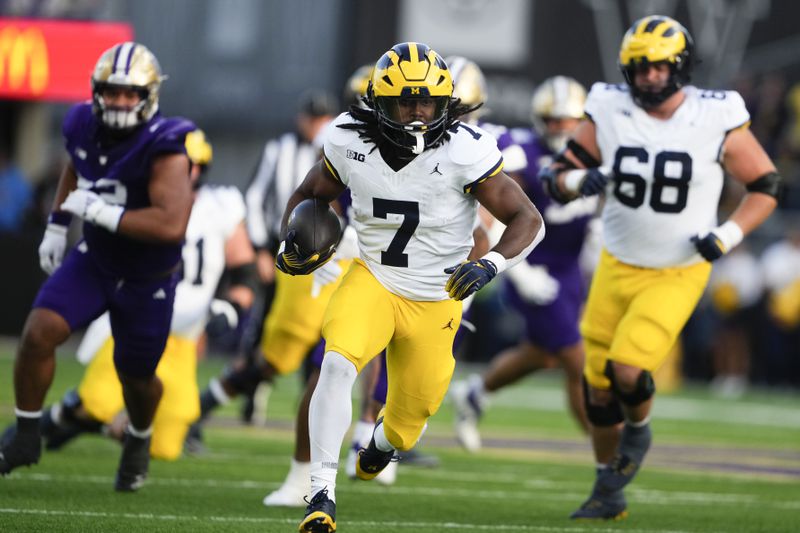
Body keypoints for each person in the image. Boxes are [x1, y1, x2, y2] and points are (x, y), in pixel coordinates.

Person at [282, 42, 544, 533]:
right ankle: (321, 493)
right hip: (375, 277)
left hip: (436, 297)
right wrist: (292, 241)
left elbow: (527, 218)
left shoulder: (466, 150)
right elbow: (308, 195)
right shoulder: (348, 140)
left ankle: (380, 445)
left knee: (406, 425)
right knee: (336, 363)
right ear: (380, 103)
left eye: (427, 102)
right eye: (406, 102)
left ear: (446, 103)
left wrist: (490, 264)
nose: (418, 113)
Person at [539, 16, 780, 519]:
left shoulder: (714, 115)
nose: (649, 76)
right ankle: (608, 485)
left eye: (658, 66)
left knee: (628, 368)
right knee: (597, 385)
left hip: (678, 267)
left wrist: (728, 234)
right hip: (616, 261)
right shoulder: (608, 106)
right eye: (639, 67)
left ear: (680, 66)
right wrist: (574, 183)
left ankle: (641, 432)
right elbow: (556, 174)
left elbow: (765, 184)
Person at [0, 42, 196, 492]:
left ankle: (138, 438)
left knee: (137, 379)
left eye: (130, 94)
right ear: (97, 92)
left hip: (147, 279)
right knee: (38, 333)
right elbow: (77, 166)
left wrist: (105, 213)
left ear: (149, 96)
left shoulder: (167, 145)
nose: (120, 102)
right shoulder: (81, 123)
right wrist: (57, 222)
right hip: (97, 261)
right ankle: (28, 434)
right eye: (112, 92)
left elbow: (171, 224)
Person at [0, 129, 257, 461]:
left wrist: (233, 307)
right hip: (138, 316)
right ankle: (54, 420)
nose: (179, 171)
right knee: (96, 402)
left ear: (199, 169)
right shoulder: (142, 200)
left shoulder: (220, 205)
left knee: (165, 446)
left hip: (181, 339)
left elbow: (244, 271)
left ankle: (100, 425)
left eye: (187, 165)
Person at [451, 75, 593, 453]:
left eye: (568, 120)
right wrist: (522, 270)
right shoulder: (523, 153)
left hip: (570, 267)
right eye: (553, 120)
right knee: (575, 359)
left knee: (543, 353)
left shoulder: (596, 150)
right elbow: (504, 214)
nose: (561, 128)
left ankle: (476, 392)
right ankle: (606, 445)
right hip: (533, 263)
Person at [188, 89, 338, 441]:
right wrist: (265, 248)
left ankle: (357, 439)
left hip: (350, 269)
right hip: (307, 260)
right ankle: (199, 411)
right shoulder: (319, 151)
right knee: (272, 357)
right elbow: (301, 204)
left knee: (335, 360)